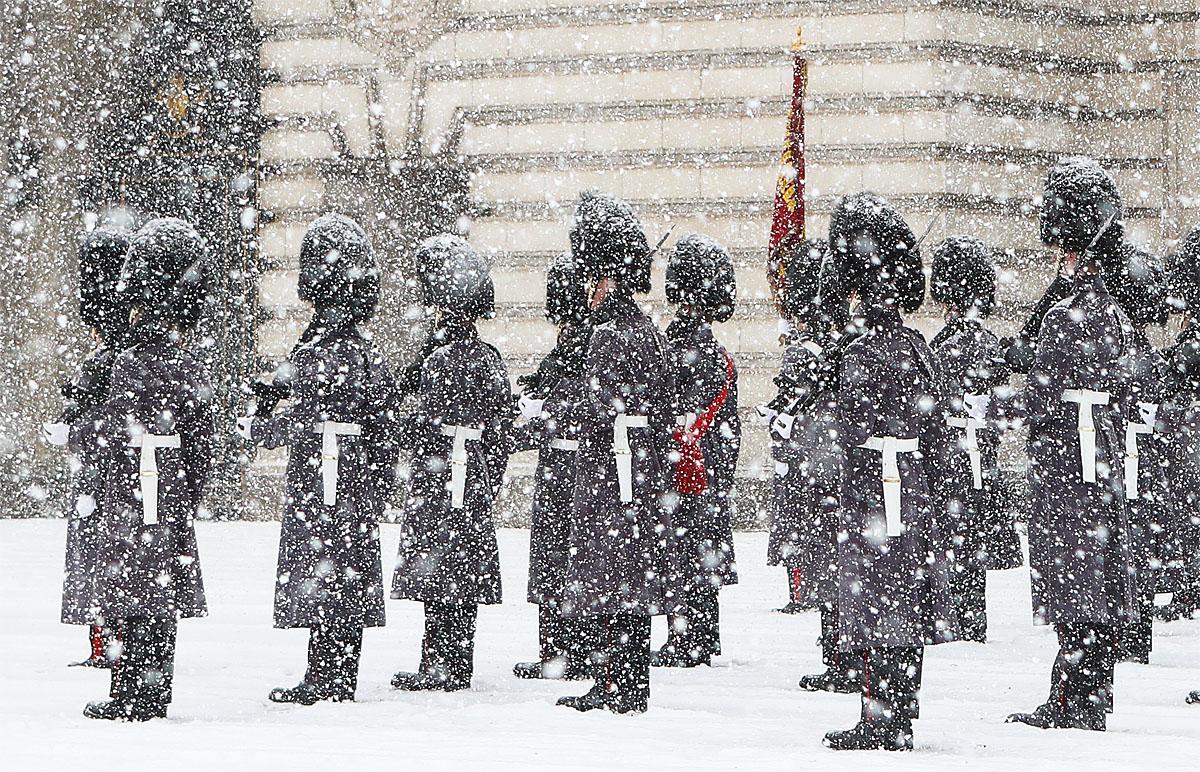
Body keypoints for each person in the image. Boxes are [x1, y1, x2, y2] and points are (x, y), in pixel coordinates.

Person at [1004, 157, 1140, 732]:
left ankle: (1073, 698)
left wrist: (1005, 388)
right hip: (1101, 455)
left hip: (1068, 460)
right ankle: (1090, 694)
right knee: (1097, 577)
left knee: (1073, 580)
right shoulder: (1112, 311)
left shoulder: (1069, 313)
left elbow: (1043, 394)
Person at [821, 192, 961, 752]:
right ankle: (899, 711)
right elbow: (934, 427)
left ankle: (881, 717)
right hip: (911, 484)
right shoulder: (914, 344)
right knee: (902, 599)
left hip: (875, 488)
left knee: (877, 602)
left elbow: (848, 429)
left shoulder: (863, 350)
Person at [240, 214, 397, 705]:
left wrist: (260, 427)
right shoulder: (363, 348)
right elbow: (383, 420)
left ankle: (325, 679)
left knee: (324, 573)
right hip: (353, 475)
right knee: (345, 573)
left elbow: (306, 417)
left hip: (323, 472)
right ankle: (337, 675)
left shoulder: (322, 349)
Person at [75, 217, 215, 721]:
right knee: (159, 595)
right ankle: (154, 690)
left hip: (131, 489)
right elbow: (203, 440)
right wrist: (186, 492)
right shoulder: (187, 363)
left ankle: (129, 694)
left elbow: (110, 433)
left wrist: (80, 431)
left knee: (129, 592)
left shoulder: (128, 361)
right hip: (168, 488)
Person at [556, 191, 678, 714]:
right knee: (631, 573)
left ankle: (618, 685)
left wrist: (550, 414)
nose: (589, 290)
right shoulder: (646, 329)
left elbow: (594, 408)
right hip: (641, 464)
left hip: (613, 465)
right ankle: (626, 682)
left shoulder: (609, 334)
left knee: (612, 574)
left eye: (594, 279)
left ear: (608, 279)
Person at [391, 234, 513, 692]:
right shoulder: (488, 357)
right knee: (463, 572)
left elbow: (419, 424)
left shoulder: (438, 358)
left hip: (439, 474)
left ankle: (439, 665)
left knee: (439, 573)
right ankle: (456, 662)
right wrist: (488, 477)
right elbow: (500, 429)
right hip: (471, 473)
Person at [759, 239, 854, 692]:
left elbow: (796, 418)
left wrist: (782, 426)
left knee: (829, 570)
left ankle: (839, 659)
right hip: (840, 468)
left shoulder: (810, 349)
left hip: (817, 470)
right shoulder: (844, 341)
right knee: (843, 569)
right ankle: (846, 657)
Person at [927, 236, 1022, 643]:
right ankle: (972, 620)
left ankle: (954, 620)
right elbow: (1005, 410)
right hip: (982, 455)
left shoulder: (941, 346)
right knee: (975, 545)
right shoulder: (990, 344)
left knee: (951, 542)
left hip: (952, 457)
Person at [652, 234, 739, 668]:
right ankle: (702, 636)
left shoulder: (681, 347)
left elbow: (673, 411)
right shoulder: (713, 349)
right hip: (707, 462)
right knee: (700, 551)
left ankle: (687, 639)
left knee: (683, 550)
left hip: (686, 462)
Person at [46, 227, 131, 668]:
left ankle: (110, 645)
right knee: (105, 558)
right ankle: (108, 643)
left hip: (107, 473)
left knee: (103, 558)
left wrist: (73, 428)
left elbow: (102, 419)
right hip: (106, 473)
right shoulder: (115, 355)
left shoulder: (112, 359)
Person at [512, 252, 598, 680]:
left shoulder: (583, 345)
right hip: (566, 465)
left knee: (559, 558)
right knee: (565, 558)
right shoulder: (574, 343)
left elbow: (571, 410)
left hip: (568, 464)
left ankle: (564, 652)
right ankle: (569, 649)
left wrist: (530, 420)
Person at [1108, 247, 1175, 665]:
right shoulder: (1151, 357)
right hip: (1143, 464)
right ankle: (1136, 636)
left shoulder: (1119, 353)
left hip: (1123, 459)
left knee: (1125, 550)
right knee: (1139, 550)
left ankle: (1127, 636)